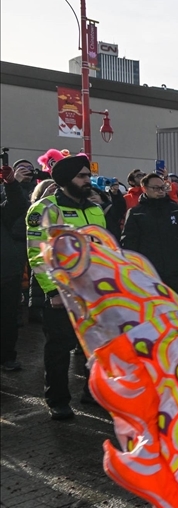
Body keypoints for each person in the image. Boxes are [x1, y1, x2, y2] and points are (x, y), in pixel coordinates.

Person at [25, 155, 105, 420]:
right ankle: (57, 400)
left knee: (95, 346)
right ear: (65, 179)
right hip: (62, 292)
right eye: (82, 176)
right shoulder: (44, 208)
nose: (87, 181)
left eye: (87, 176)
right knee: (59, 347)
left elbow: (102, 251)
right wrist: (52, 291)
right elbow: (37, 253)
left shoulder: (94, 208)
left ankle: (92, 391)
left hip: (92, 290)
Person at [121, 173, 178, 298]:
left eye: (163, 187)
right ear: (144, 188)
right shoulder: (136, 213)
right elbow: (129, 242)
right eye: (156, 188)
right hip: (148, 272)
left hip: (176, 271)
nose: (160, 191)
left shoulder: (177, 210)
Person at [1, 163, 31, 372]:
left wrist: (11, 183)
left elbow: (18, 205)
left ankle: (7, 357)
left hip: (6, 273)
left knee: (8, 318)